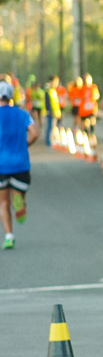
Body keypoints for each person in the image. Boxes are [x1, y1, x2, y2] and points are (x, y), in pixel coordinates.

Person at [0, 81, 40, 250]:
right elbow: (35, 133)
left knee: (3, 202)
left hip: (1, 164)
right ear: (11, 97)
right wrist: (26, 144)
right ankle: (20, 202)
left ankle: (9, 236)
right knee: (18, 194)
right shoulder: (22, 114)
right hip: (21, 162)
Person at [43, 75, 62, 147]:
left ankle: (52, 141)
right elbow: (47, 102)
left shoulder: (53, 91)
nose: (56, 83)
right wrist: (49, 111)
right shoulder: (48, 91)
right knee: (50, 127)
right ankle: (48, 142)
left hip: (55, 112)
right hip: (51, 112)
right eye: (55, 82)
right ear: (51, 82)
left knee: (53, 127)